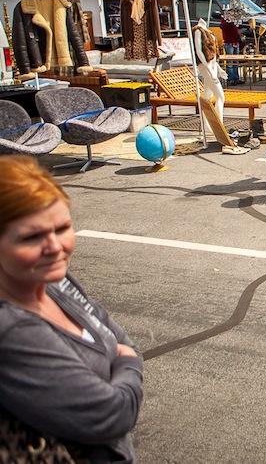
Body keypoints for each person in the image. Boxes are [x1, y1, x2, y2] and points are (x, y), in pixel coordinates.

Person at [0, 156, 144, 462]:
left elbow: (122, 338)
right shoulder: (11, 330)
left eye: (62, 228)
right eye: (31, 237)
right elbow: (110, 414)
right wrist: (127, 366)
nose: (55, 247)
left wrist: (123, 360)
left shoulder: (54, 281)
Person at [193, 17, 226, 121]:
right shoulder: (198, 31)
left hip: (212, 65)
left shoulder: (207, 30)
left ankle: (207, 125)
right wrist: (210, 70)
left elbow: (213, 53)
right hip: (205, 66)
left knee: (208, 96)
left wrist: (218, 68)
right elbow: (199, 51)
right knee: (220, 96)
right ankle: (219, 124)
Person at [219, 13, 243, 84]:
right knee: (230, 63)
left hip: (235, 42)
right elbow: (223, 26)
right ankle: (230, 79)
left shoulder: (234, 22)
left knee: (236, 62)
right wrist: (228, 20)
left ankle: (236, 78)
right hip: (228, 44)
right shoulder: (225, 23)